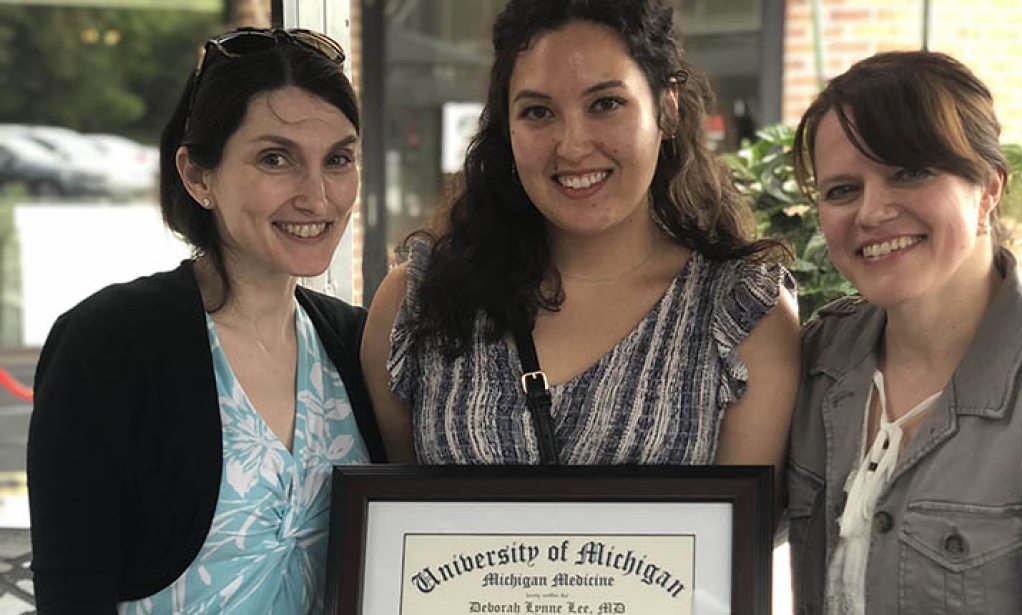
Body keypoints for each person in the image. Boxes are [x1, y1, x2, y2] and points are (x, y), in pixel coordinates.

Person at [27, 27, 386, 613]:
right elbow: (72, 588)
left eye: (338, 159)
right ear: (198, 176)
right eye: (276, 159)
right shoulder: (111, 343)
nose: (318, 197)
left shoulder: (353, 342)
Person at [362, 0, 799, 479]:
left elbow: (736, 544)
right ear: (506, 128)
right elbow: (399, 534)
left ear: (667, 108)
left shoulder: (741, 317)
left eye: (606, 104)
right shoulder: (416, 305)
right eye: (537, 112)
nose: (572, 146)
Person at [787, 50, 1022, 614]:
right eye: (842, 190)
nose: (872, 212)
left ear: (989, 188)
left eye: (909, 172)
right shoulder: (817, 358)